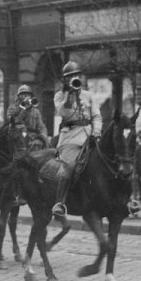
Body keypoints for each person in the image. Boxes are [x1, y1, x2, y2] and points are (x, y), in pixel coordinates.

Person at [51, 61, 102, 218]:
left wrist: (97, 132)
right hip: (70, 139)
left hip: (89, 136)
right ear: (65, 80)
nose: (74, 78)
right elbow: (63, 112)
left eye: (76, 76)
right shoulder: (60, 96)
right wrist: (69, 95)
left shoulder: (88, 95)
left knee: (105, 161)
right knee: (69, 166)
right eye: (70, 77)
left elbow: (96, 116)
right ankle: (60, 203)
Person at [7, 84, 48, 150]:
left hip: (33, 137)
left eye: (28, 95)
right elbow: (14, 122)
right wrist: (24, 109)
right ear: (19, 96)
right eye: (23, 94)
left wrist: (43, 137)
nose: (26, 97)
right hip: (18, 138)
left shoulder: (36, 111)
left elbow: (41, 126)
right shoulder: (13, 108)